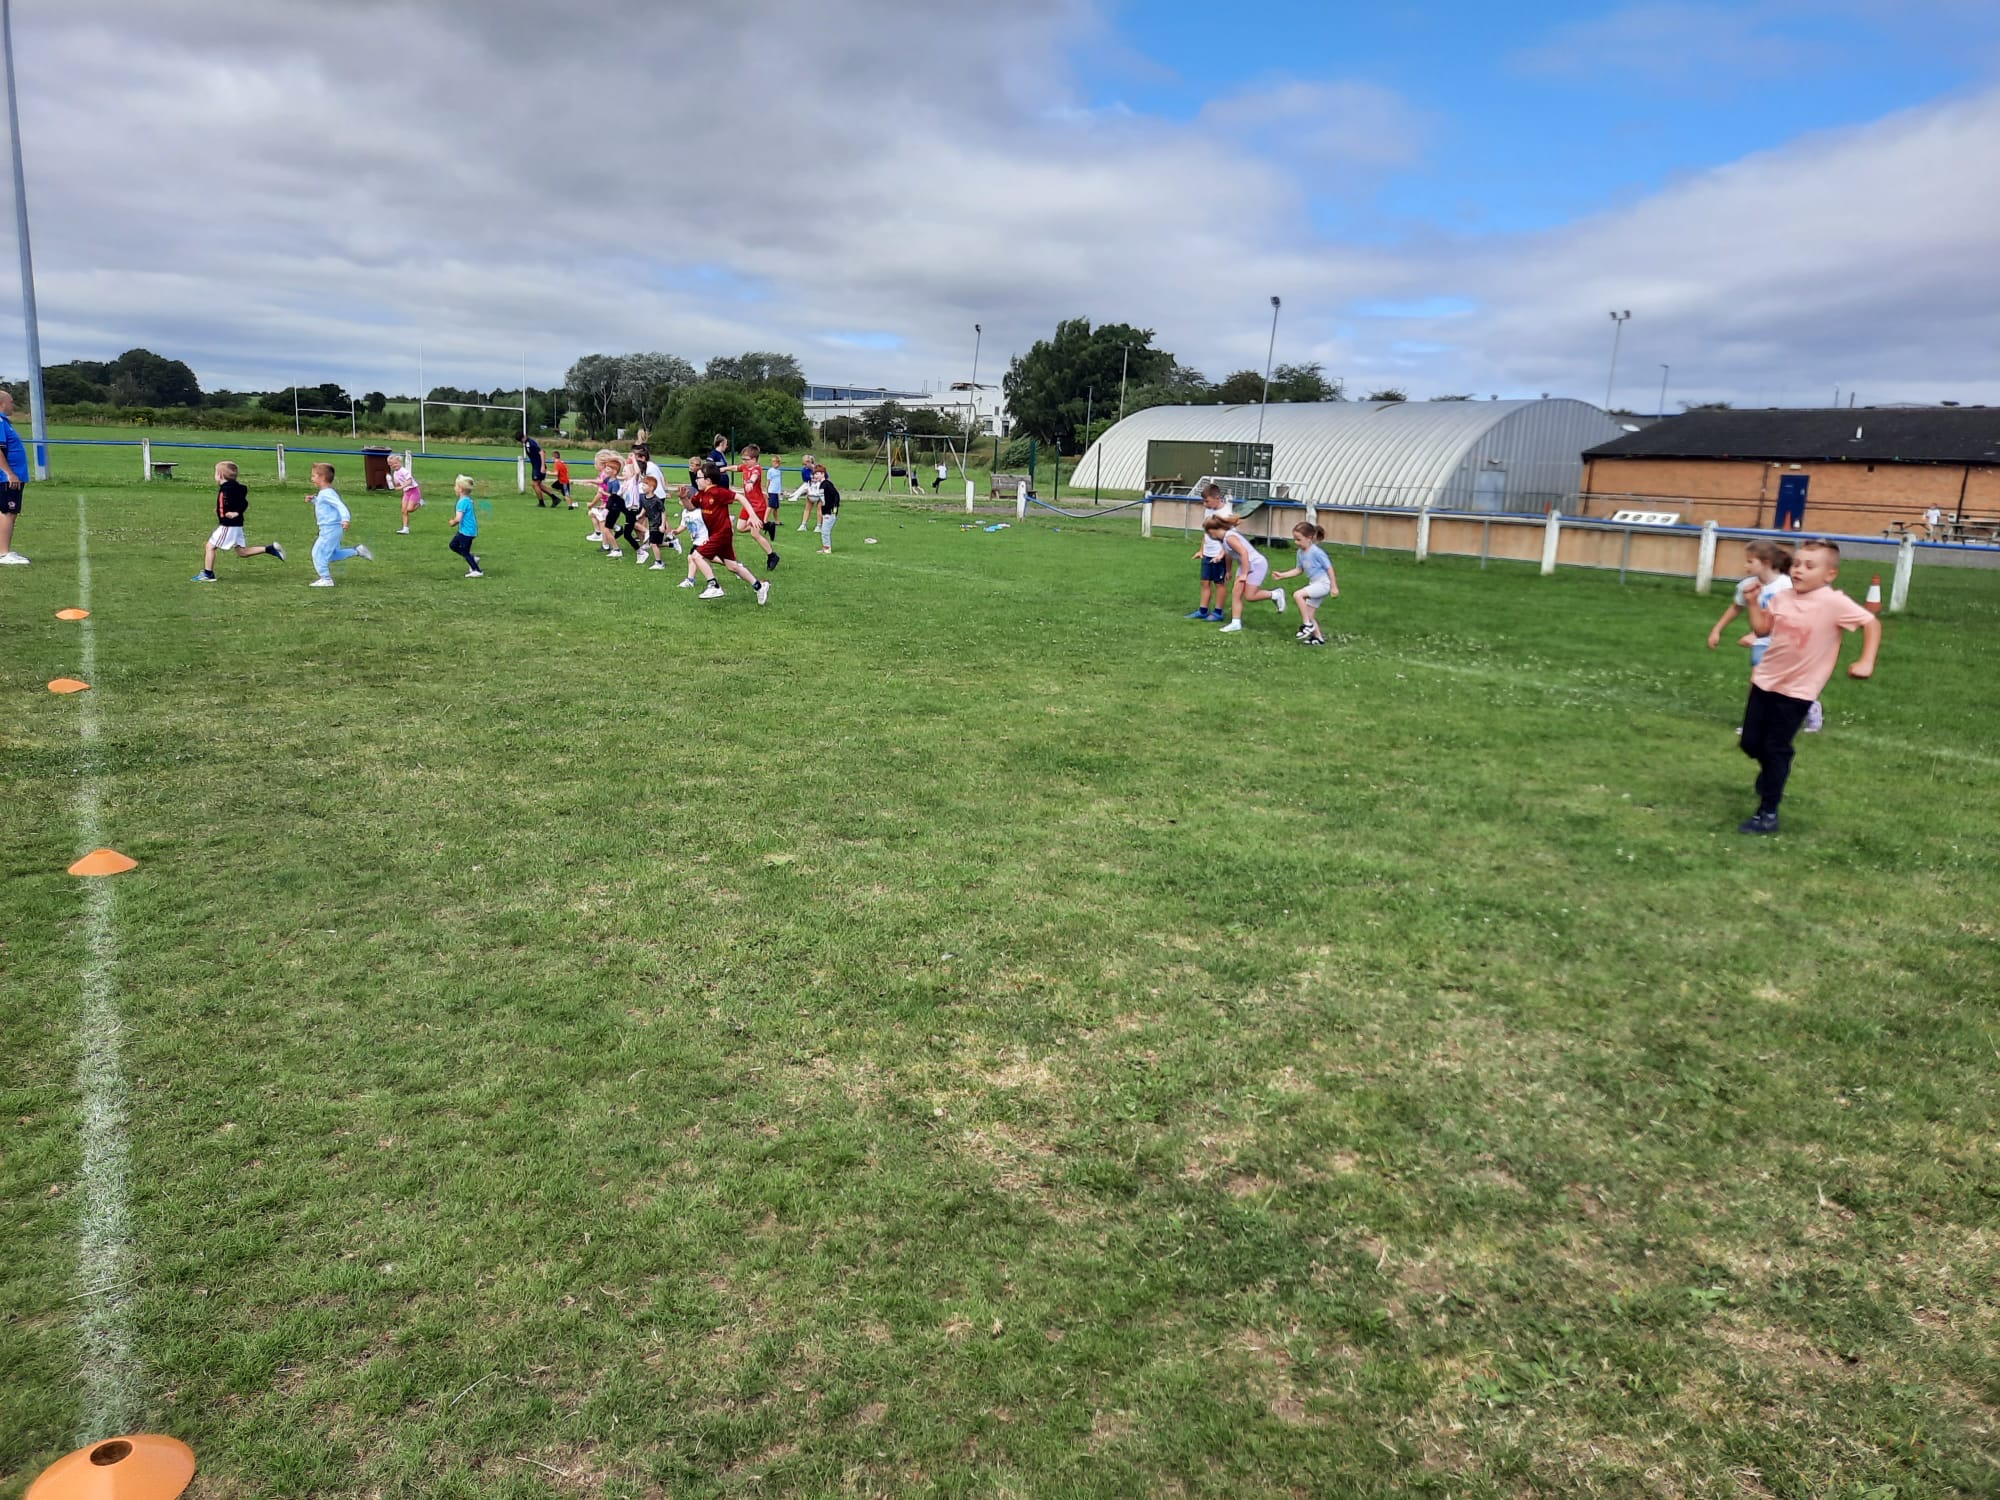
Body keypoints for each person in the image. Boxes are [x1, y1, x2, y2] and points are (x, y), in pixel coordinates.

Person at [1734, 540, 1881, 835]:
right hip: (1765, 679)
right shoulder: (1783, 597)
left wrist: (1866, 661)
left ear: (1829, 575)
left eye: (1809, 566)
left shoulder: (1834, 602)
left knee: (1774, 747)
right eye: (1797, 564)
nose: (1799, 570)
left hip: (1799, 689)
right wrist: (1752, 603)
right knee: (1750, 742)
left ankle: (1768, 813)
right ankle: (1775, 767)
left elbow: (1871, 623)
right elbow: (1763, 629)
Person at [1707, 541, 1824, 733]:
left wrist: (1755, 634)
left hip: (1788, 642)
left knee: (1788, 683)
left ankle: (1811, 707)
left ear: (1766, 562)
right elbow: (1736, 607)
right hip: (1763, 642)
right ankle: (1754, 725)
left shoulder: (1786, 585)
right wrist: (1717, 629)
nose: (1745, 566)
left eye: (1750, 561)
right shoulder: (1747, 586)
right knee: (1758, 682)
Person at [689, 462, 771, 605]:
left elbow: (740, 497)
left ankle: (714, 586)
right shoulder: (702, 494)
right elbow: (691, 506)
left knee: (696, 555)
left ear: (708, 480)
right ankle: (759, 586)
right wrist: (684, 497)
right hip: (716, 533)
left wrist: (752, 515)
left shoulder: (717, 492)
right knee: (732, 566)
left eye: (698, 477)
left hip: (722, 533)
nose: (696, 480)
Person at [193, 460, 285, 581]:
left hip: (228, 525)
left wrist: (236, 512)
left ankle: (208, 574)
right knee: (242, 552)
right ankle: (270, 549)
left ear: (220, 475)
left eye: (215, 473)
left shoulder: (228, 489)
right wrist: (221, 509)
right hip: (236, 526)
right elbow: (229, 502)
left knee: (210, 546)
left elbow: (243, 503)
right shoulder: (232, 487)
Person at [1213, 516, 1285, 634]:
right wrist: (1228, 571)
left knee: (1250, 596)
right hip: (1245, 565)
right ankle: (1236, 623)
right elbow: (1228, 554)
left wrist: (1245, 573)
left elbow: (1244, 552)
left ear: (1213, 530)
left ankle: (1275, 594)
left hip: (1256, 565)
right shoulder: (1224, 539)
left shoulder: (1230, 537)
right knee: (1237, 594)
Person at [307, 462, 372, 587]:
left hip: (330, 529)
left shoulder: (327, 493)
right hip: (332, 529)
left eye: (314, 476)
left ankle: (326, 579)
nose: (312, 479)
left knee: (318, 553)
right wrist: (314, 500)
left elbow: (339, 505)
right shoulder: (325, 493)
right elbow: (326, 506)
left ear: (322, 478)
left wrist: (345, 519)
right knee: (331, 555)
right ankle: (357, 551)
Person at [1269, 522, 1335, 646]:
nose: (1296, 542)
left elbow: (1329, 568)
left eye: (1299, 539)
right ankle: (1318, 638)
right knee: (1309, 614)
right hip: (1314, 583)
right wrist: (1282, 575)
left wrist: (1334, 586)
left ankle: (1307, 625)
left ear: (1309, 537)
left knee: (1298, 595)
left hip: (1323, 584)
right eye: (1295, 539)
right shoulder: (1300, 553)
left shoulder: (1317, 552)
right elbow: (1299, 570)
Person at [0, 387, 30, 565]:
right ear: (2, 403)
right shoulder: (0, 423)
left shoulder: (5, 423)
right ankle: (4, 553)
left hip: (9, 477)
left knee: (8, 512)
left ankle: (4, 550)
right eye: (11, 401)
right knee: (8, 512)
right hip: (6, 479)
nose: (13, 405)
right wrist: (10, 473)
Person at [449, 475, 484, 577]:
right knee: (453, 545)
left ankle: (477, 571)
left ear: (460, 489)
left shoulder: (462, 503)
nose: (454, 488)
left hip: (467, 531)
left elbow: (458, 518)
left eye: (455, 486)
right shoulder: (467, 499)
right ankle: (473, 559)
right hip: (467, 530)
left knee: (465, 551)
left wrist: (453, 522)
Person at [388, 452, 423, 533]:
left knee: (409, 509)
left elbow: (409, 481)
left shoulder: (404, 471)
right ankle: (405, 528)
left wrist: (401, 487)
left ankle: (420, 503)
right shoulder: (395, 473)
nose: (394, 465)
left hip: (414, 490)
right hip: (406, 492)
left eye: (396, 463)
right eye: (392, 464)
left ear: (400, 462)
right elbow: (397, 483)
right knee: (404, 510)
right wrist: (392, 482)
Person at [815, 465, 841, 553]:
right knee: (824, 530)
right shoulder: (821, 485)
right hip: (825, 511)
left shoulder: (827, 484)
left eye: (817, 473)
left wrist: (834, 510)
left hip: (830, 512)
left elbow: (836, 495)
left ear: (823, 474)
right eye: (814, 474)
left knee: (825, 530)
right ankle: (826, 547)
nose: (815, 476)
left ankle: (827, 548)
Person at [523, 433, 550, 505]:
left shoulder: (530, 443)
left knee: (535, 484)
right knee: (537, 484)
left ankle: (542, 502)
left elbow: (542, 452)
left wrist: (542, 466)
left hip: (538, 466)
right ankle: (554, 498)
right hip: (536, 466)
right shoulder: (528, 443)